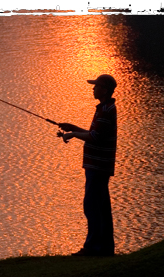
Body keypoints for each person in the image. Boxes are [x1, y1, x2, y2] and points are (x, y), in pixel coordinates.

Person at [57, 74, 117, 256]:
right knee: (99, 206)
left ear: (104, 90)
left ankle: (93, 248)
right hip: (97, 166)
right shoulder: (104, 108)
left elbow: (95, 137)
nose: (93, 89)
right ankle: (103, 248)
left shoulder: (106, 110)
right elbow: (94, 133)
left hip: (98, 167)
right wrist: (73, 128)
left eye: (96, 86)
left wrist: (73, 135)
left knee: (93, 206)